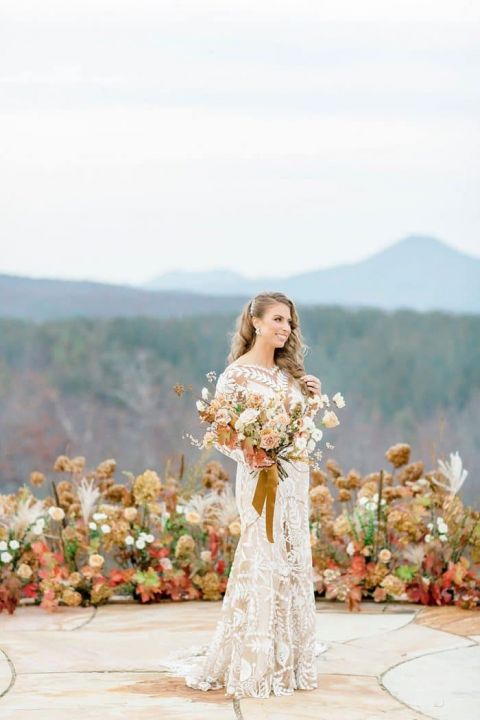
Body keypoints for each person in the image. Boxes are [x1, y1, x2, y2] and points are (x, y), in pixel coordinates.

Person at [176, 291, 326, 699]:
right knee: (263, 558)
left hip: (294, 478)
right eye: (278, 319)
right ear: (256, 322)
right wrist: (253, 453)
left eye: (290, 322)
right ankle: (256, 662)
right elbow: (222, 433)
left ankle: (289, 661)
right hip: (259, 479)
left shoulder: (289, 374)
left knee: (293, 560)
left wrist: (311, 401)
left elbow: (300, 432)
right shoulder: (236, 375)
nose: (285, 328)